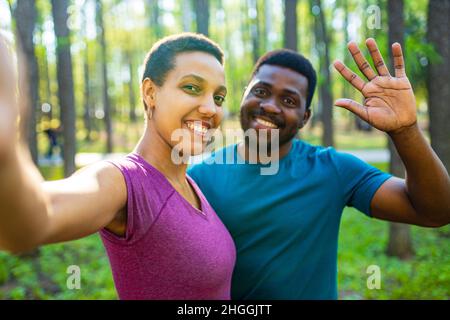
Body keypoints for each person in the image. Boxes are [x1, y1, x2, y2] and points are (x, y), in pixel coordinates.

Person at [188, 38, 450, 299]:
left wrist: (406, 130)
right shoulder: (198, 178)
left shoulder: (333, 170)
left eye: (289, 101)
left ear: (305, 117)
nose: (269, 106)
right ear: (245, 94)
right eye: (261, 92)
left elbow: (436, 212)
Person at [0, 33, 236, 300]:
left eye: (218, 98)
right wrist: (6, 148)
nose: (210, 109)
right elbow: (36, 219)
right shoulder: (123, 181)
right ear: (150, 93)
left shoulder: (192, 184)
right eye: (192, 88)